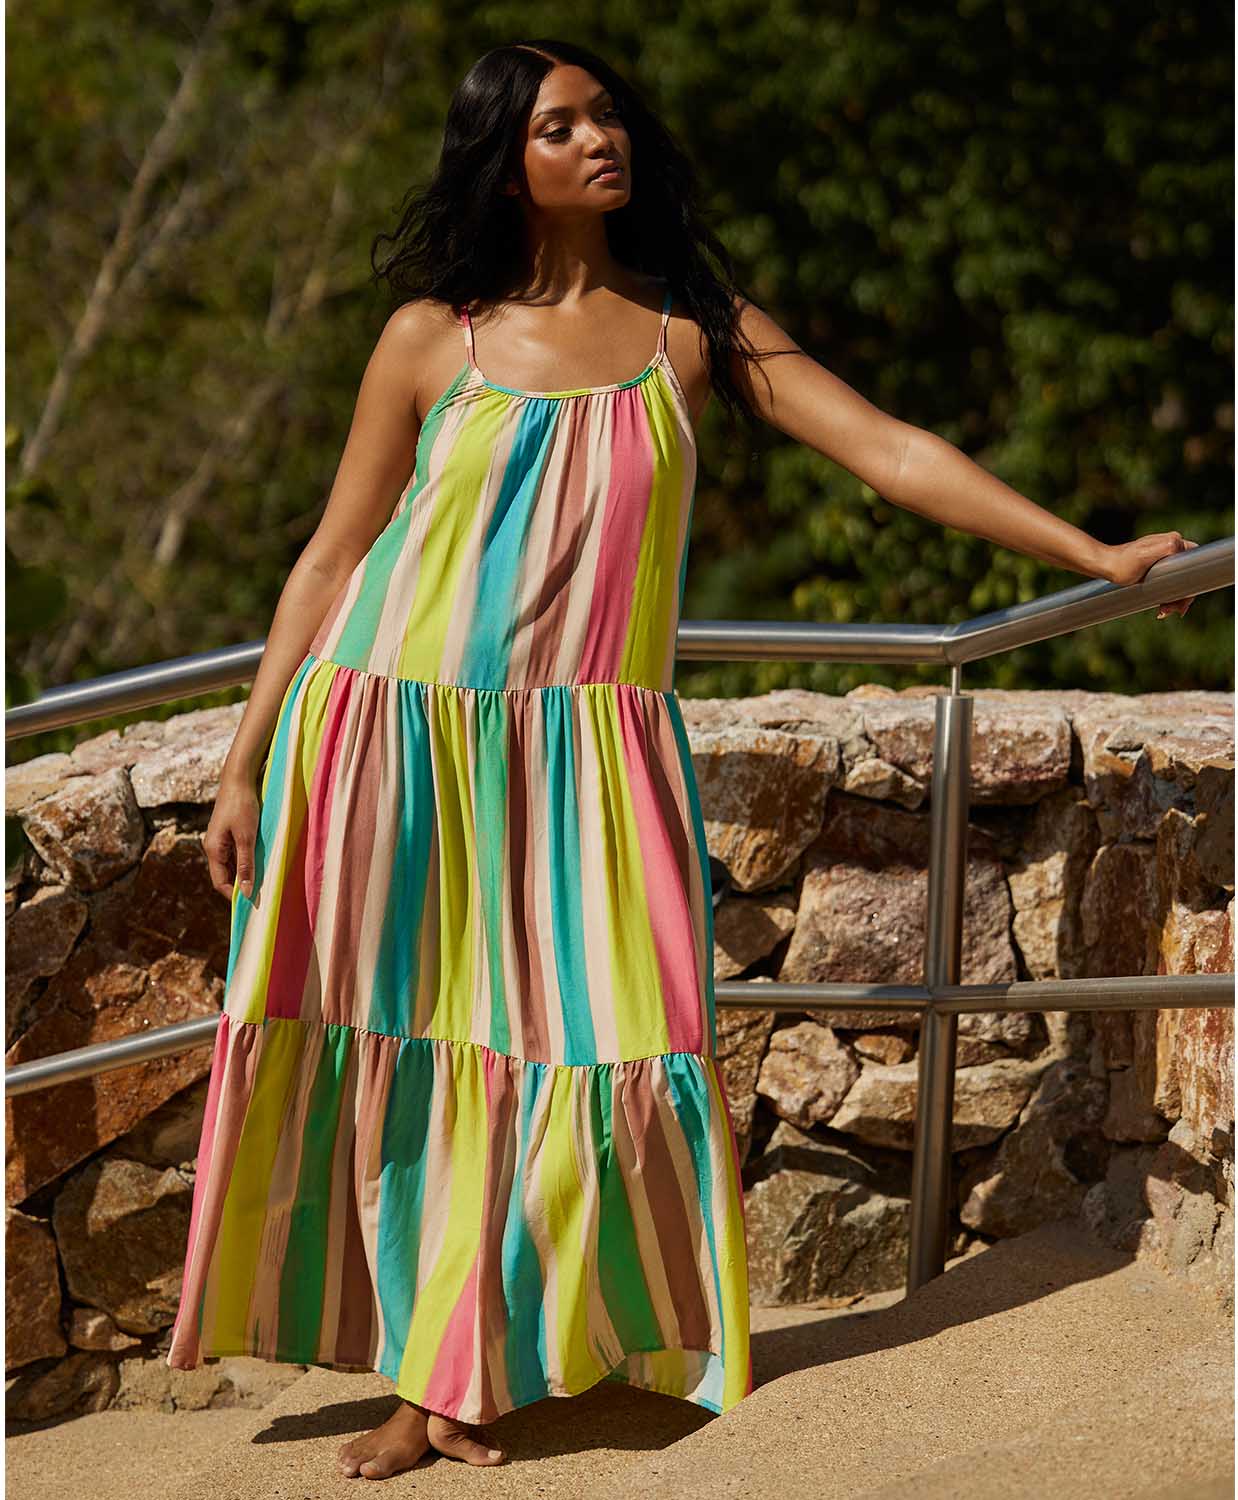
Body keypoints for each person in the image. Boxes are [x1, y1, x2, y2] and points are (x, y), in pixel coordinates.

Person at [163, 37, 1198, 1484]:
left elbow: (887, 450)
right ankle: (434, 1377)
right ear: (502, 161)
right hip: (391, 735)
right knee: (425, 1050)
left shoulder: (688, 330)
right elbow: (335, 552)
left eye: (606, 117)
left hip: (589, 759)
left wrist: (1084, 550)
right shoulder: (427, 338)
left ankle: (504, 1353)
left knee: (591, 1048)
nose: (600, 141)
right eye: (559, 125)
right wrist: (243, 758)